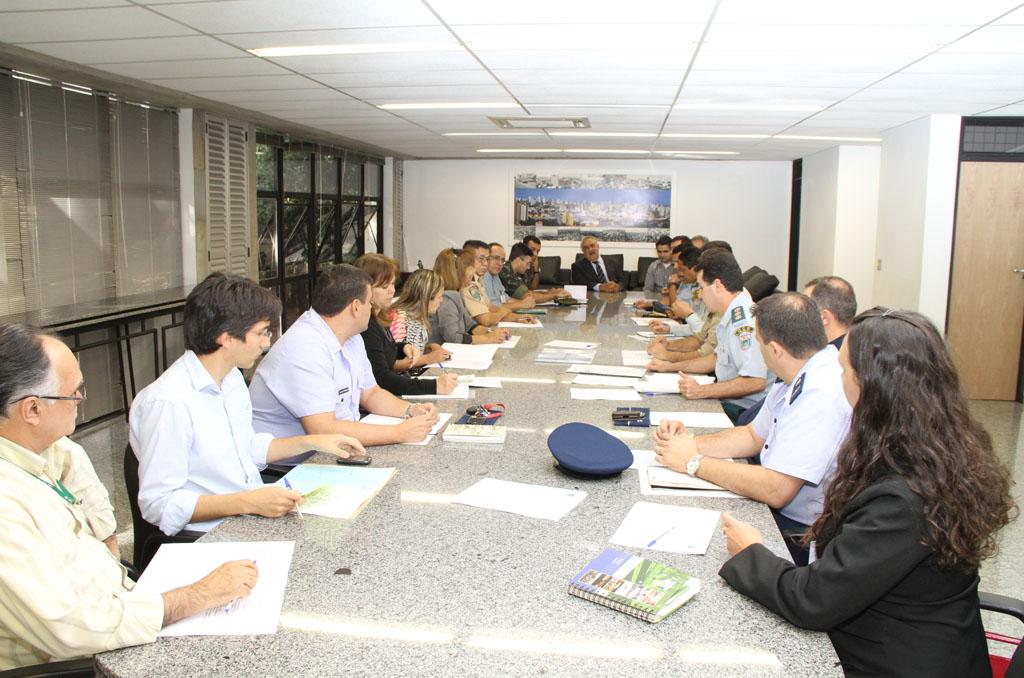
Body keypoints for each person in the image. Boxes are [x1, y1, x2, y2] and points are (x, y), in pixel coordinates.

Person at [718, 308, 1016, 677]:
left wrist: (751, 552)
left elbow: (813, 601)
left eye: (843, 370)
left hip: (895, 662)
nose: (837, 379)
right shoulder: (933, 450)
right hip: (896, 634)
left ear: (873, 387)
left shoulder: (904, 497)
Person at [0, 323, 258, 669]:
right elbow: (70, 628)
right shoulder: (7, 506)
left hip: (118, 602)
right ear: (32, 410)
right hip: (79, 659)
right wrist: (196, 595)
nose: (81, 400)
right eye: (73, 393)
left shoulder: (45, 447)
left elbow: (94, 510)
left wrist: (112, 555)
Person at [131, 273, 366, 535]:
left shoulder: (230, 378)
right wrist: (248, 502)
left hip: (246, 517)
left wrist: (312, 442)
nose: (266, 343)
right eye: (261, 333)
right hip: (209, 534)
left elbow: (246, 448)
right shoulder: (168, 402)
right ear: (226, 337)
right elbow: (158, 504)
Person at [654, 293, 851, 565]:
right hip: (774, 511)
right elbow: (752, 435)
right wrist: (690, 444)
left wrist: (693, 462)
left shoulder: (821, 392)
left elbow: (776, 489)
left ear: (775, 350)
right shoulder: (798, 371)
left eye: (758, 342)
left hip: (795, 536)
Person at [250, 264, 440, 451]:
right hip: (294, 463)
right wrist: (399, 433)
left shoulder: (352, 336)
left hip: (333, 448)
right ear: (356, 307)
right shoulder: (305, 348)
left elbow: (371, 394)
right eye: (370, 303)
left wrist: (411, 410)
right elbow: (323, 430)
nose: (372, 309)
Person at [675, 249, 770, 422]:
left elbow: (756, 381)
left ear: (718, 286)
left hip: (745, 413)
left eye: (702, 288)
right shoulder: (731, 314)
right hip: (730, 403)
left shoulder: (745, 322)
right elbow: (716, 359)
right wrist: (669, 366)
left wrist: (701, 391)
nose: (700, 294)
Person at [355, 254, 458, 397]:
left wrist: (404, 347)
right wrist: (433, 384)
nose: (392, 291)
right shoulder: (367, 327)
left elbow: (385, 349)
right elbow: (382, 376)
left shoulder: (380, 319)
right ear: (365, 290)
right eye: (384, 286)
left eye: (392, 284)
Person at [429, 248, 509, 345]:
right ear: (457, 272)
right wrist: (487, 338)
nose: (474, 270)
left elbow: (470, 326)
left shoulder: (456, 294)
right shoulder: (446, 299)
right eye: (470, 267)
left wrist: (491, 332)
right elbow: (453, 337)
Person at [462, 244, 535, 327]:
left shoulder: (488, 278)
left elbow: (493, 306)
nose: (500, 263)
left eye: (503, 260)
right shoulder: (472, 283)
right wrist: (516, 306)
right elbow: (487, 319)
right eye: (496, 258)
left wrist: (518, 317)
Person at [389, 268, 453, 363]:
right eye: (439, 297)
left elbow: (415, 350)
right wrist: (428, 358)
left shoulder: (419, 317)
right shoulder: (399, 319)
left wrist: (429, 348)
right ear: (427, 297)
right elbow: (393, 361)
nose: (441, 300)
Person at [499, 242, 567, 304]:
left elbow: (528, 292)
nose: (528, 267)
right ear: (518, 259)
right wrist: (555, 296)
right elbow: (528, 297)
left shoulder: (515, 271)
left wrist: (549, 293)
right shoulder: (506, 272)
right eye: (527, 263)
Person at [804, 275, 856, 348]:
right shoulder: (860, 347)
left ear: (824, 317)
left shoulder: (830, 354)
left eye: (805, 308)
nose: (800, 315)